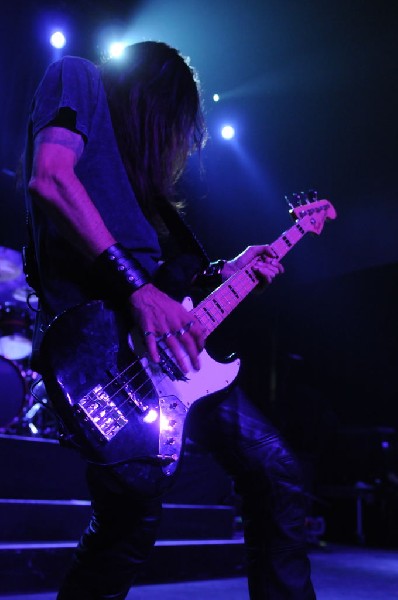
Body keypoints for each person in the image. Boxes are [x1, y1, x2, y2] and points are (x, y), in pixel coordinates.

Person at [22, 41, 316, 599]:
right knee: (129, 521)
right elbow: (51, 179)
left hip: (174, 357)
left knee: (277, 476)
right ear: (153, 99)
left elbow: (166, 291)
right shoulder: (76, 77)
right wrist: (136, 289)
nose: (177, 145)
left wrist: (228, 270)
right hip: (100, 351)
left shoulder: (142, 191)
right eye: (177, 124)